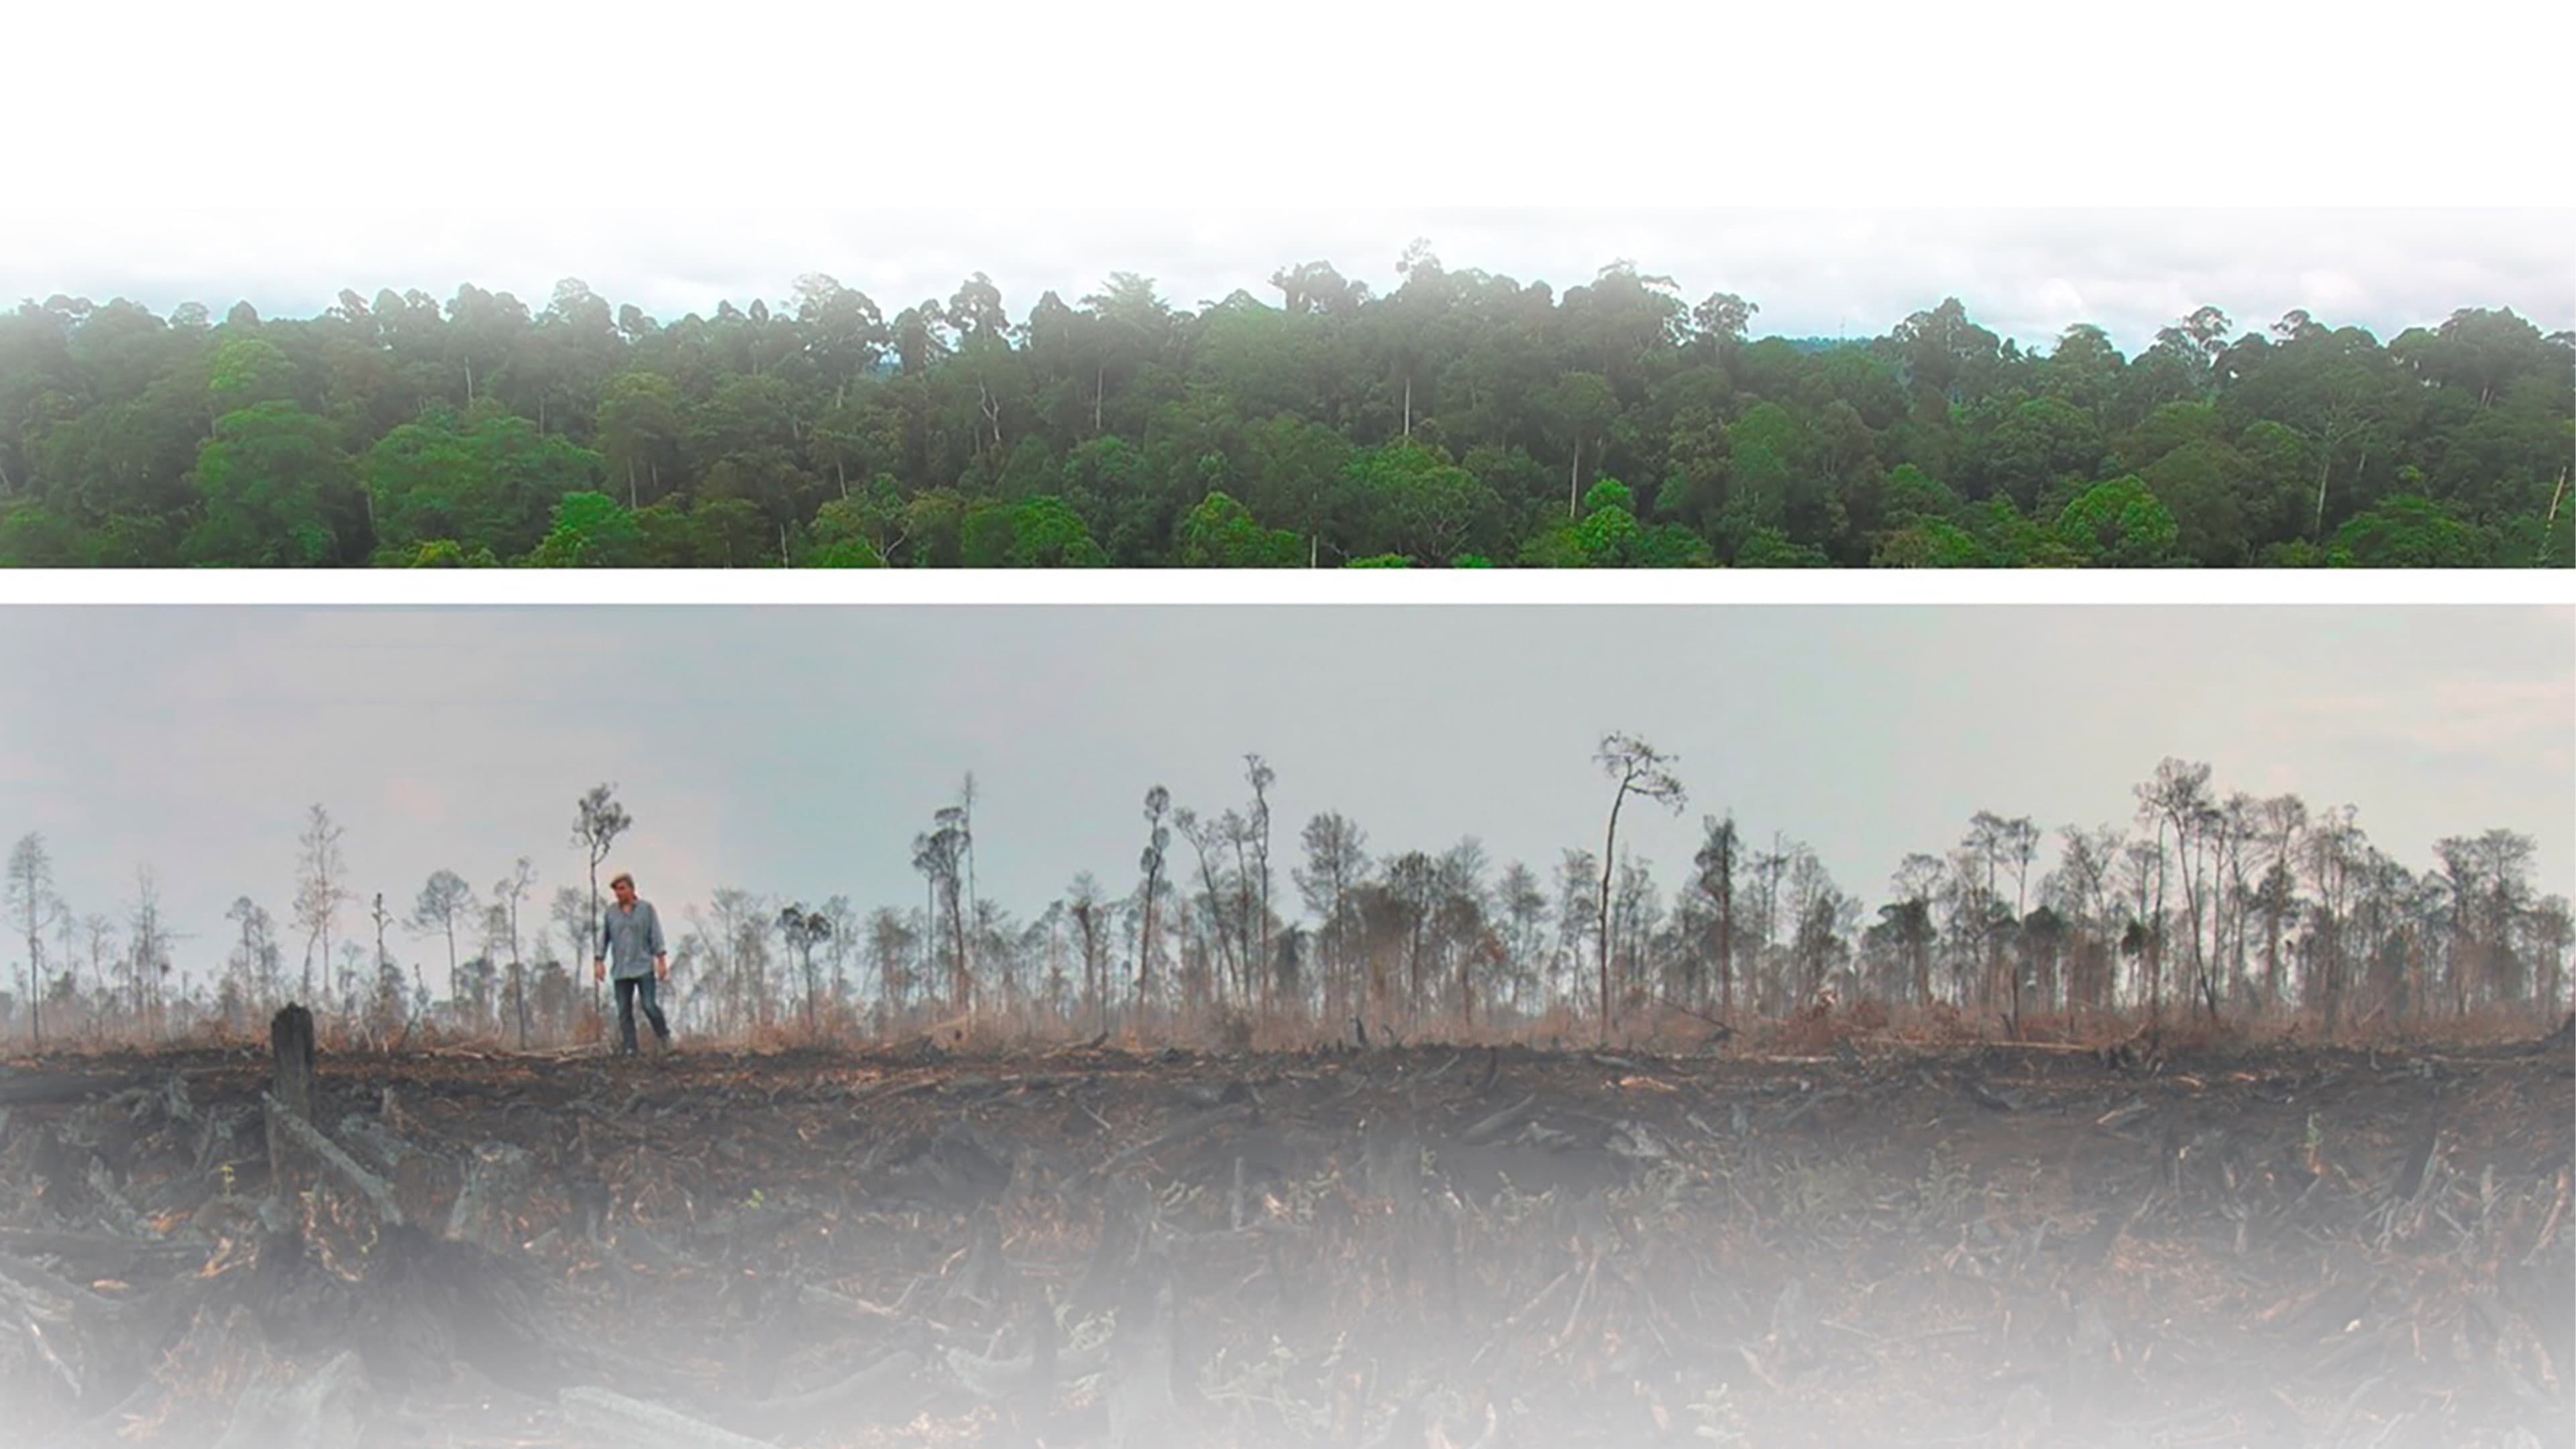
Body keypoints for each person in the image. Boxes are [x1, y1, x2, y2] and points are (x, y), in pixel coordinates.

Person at [594, 871, 672, 1055]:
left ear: (631, 888)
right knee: (624, 1011)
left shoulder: (646, 909)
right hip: (621, 969)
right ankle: (630, 1048)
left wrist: (661, 960)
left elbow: (656, 935)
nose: (619, 893)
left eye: (622, 889)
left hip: (643, 966)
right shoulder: (611, 913)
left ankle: (664, 1037)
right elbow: (604, 938)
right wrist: (599, 961)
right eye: (616, 891)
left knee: (649, 1005)